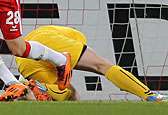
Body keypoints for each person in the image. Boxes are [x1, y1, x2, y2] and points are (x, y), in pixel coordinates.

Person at [15, 25, 167, 102]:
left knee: (69, 94)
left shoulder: (53, 31)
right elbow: (94, 65)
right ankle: (150, 95)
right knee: (102, 66)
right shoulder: (76, 37)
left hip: (24, 56)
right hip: (47, 42)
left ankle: (27, 90)